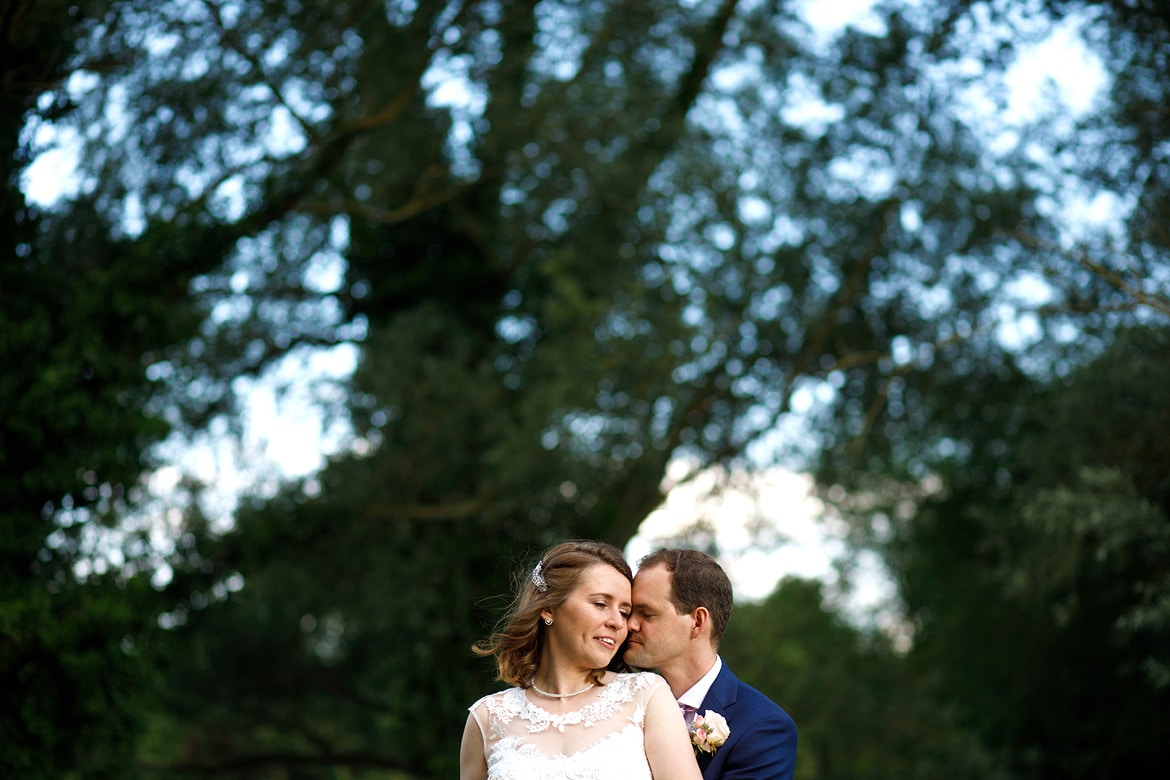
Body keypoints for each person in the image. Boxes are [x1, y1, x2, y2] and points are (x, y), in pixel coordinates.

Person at [460, 540, 703, 780]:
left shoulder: (647, 696)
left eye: (623, 612)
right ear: (549, 608)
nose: (618, 622)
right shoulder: (487, 717)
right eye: (600, 604)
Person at [625, 548, 798, 780]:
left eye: (646, 614)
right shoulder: (612, 699)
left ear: (697, 622)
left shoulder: (763, 728)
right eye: (628, 612)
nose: (629, 625)